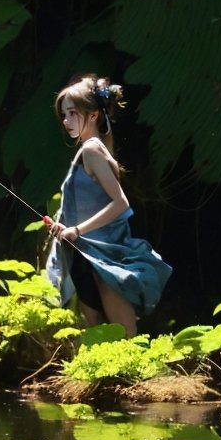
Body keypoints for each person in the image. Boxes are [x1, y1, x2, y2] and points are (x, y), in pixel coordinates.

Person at [45, 76, 171, 335]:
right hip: (86, 252)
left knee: (124, 334)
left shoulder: (92, 151)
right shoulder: (93, 149)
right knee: (98, 328)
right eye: (64, 115)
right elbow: (87, 203)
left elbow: (120, 203)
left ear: (92, 115)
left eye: (72, 113)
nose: (66, 121)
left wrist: (77, 230)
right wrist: (66, 227)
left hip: (104, 255)